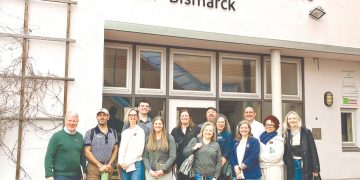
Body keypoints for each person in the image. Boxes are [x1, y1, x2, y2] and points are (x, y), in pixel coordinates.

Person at [44, 111, 86, 180]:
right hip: (60, 176)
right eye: (69, 121)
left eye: (74, 121)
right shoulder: (57, 137)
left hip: (76, 175)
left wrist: (84, 171)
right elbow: (49, 156)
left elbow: (82, 157)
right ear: (65, 121)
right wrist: (48, 175)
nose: (72, 123)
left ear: (77, 122)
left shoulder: (80, 137)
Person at [283, 111, 321, 180]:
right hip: (292, 165)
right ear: (287, 121)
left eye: (294, 118)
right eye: (290, 118)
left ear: (298, 119)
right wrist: (286, 161)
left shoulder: (306, 132)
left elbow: (313, 151)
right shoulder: (286, 133)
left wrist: (316, 169)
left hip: (306, 164)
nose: (292, 120)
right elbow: (285, 151)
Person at [84, 108, 119, 180]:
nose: (102, 117)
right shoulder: (90, 132)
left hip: (108, 168)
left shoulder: (114, 132)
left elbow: (115, 150)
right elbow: (87, 152)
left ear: (108, 117)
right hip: (93, 168)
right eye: (99, 115)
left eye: (104, 115)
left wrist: (109, 164)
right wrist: (99, 165)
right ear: (96, 117)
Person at [170, 109, 201, 180]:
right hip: (180, 162)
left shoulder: (196, 129)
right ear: (180, 118)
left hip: (194, 161)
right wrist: (172, 163)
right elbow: (172, 148)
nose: (184, 117)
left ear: (190, 117)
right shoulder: (175, 131)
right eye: (182, 116)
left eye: (186, 115)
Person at [118, 108, 145, 180]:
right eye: (130, 115)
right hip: (124, 165)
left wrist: (128, 162)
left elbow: (140, 150)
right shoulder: (125, 132)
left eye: (134, 115)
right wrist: (121, 162)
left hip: (136, 164)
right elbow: (122, 149)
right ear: (128, 116)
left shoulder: (140, 131)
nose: (132, 117)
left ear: (137, 117)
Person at [259, 115, 284, 180]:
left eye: (272, 125)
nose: (269, 126)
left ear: (276, 127)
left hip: (274, 168)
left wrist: (260, 157)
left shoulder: (279, 139)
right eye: (267, 124)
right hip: (261, 167)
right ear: (264, 125)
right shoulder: (260, 138)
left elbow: (277, 156)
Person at [215, 114, 233, 180]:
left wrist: (217, 169)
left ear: (225, 124)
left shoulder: (228, 135)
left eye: (222, 122)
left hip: (222, 165)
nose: (220, 124)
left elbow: (226, 154)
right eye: (219, 122)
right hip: (211, 165)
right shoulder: (212, 133)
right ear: (216, 123)